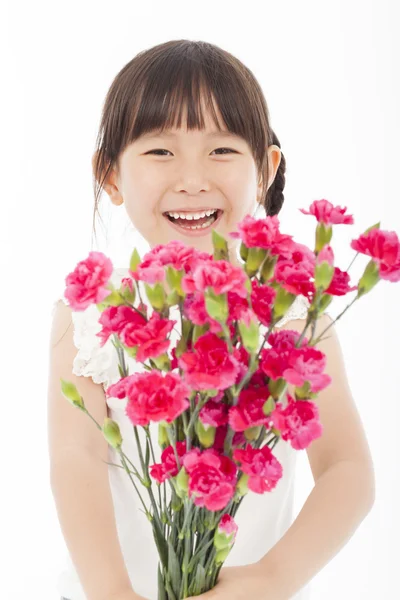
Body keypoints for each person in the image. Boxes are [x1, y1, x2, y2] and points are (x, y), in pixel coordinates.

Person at [48, 39, 375, 600]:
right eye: (160, 152)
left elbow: (348, 468)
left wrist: (273, 578)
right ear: (110, 176)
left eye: (221, 150)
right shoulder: (92, 312)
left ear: (266, 168)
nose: (193, 178)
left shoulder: (296, 311)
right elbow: (73, 458)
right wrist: (112, 593)